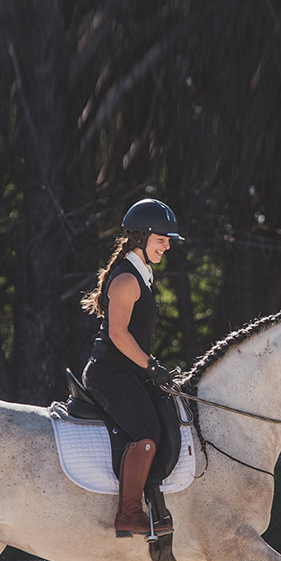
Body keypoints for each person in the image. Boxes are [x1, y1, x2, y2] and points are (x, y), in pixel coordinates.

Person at [81, 198, 184, 538]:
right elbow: (117, 333)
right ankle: (128, 514)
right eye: (162, 239)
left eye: (168, 240)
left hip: (130, 371)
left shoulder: (142, 272)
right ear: (140, 238)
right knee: (147, 431)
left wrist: (150, 369)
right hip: (110, 374)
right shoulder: (127, 280)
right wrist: (151, 365)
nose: (167, 246)